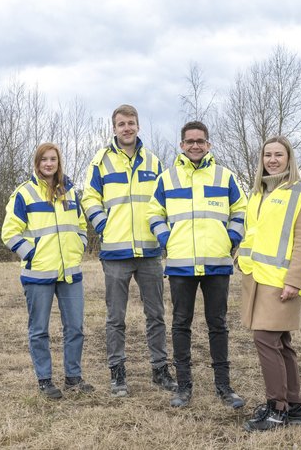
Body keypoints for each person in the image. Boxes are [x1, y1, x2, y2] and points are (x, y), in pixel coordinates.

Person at [148, 121, 247, 409]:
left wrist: (230, 238)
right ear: (181, 145)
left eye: (200, 141)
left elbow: (240, 209)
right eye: (189, 141)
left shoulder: (224, 176)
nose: (195, 145)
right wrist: (167, 239)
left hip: (217, 263)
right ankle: (183, 386)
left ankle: (224, 387)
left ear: (209, 144)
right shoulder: (167, 179)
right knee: (181, 324)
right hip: (181, 265)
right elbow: (154, 213)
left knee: (218, 325)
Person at [82, 104, 176, 397]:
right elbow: (89, 197)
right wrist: (103, 226)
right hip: (115, 252)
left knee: (156, 315)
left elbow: (165, 200)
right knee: (115, 318)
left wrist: (163, 234)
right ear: (114, 128)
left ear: (138, 126)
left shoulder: (154, 161)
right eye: (121, 124)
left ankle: (160, 369)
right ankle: (117, 373)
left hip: (149, 251)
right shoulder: (101, 161)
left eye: (131, 123)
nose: (126, 128)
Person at [1, 142, 94, 399]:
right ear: (37, 163)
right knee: (39, 330)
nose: (49, 163)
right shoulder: (24, 193)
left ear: (58, 161)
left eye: (53, 159)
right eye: (44, 159)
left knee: (75, 328)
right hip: (38, 275)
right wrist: (31, 254)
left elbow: (80, 224)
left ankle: (73, 377)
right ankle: (45, 380)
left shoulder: (70, 192)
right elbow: (9, 233)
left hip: (70, 273)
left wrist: (80, 245)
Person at [238, 136, 301, 432]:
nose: (272, 160)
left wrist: (295, 280)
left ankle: (276, 408)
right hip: (256, 278)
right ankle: (294, 406)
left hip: (281, 281)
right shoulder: (258, 193)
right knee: (281, 344)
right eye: (267, 155)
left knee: (265, 340)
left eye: (278, 155)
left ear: (289, 158)